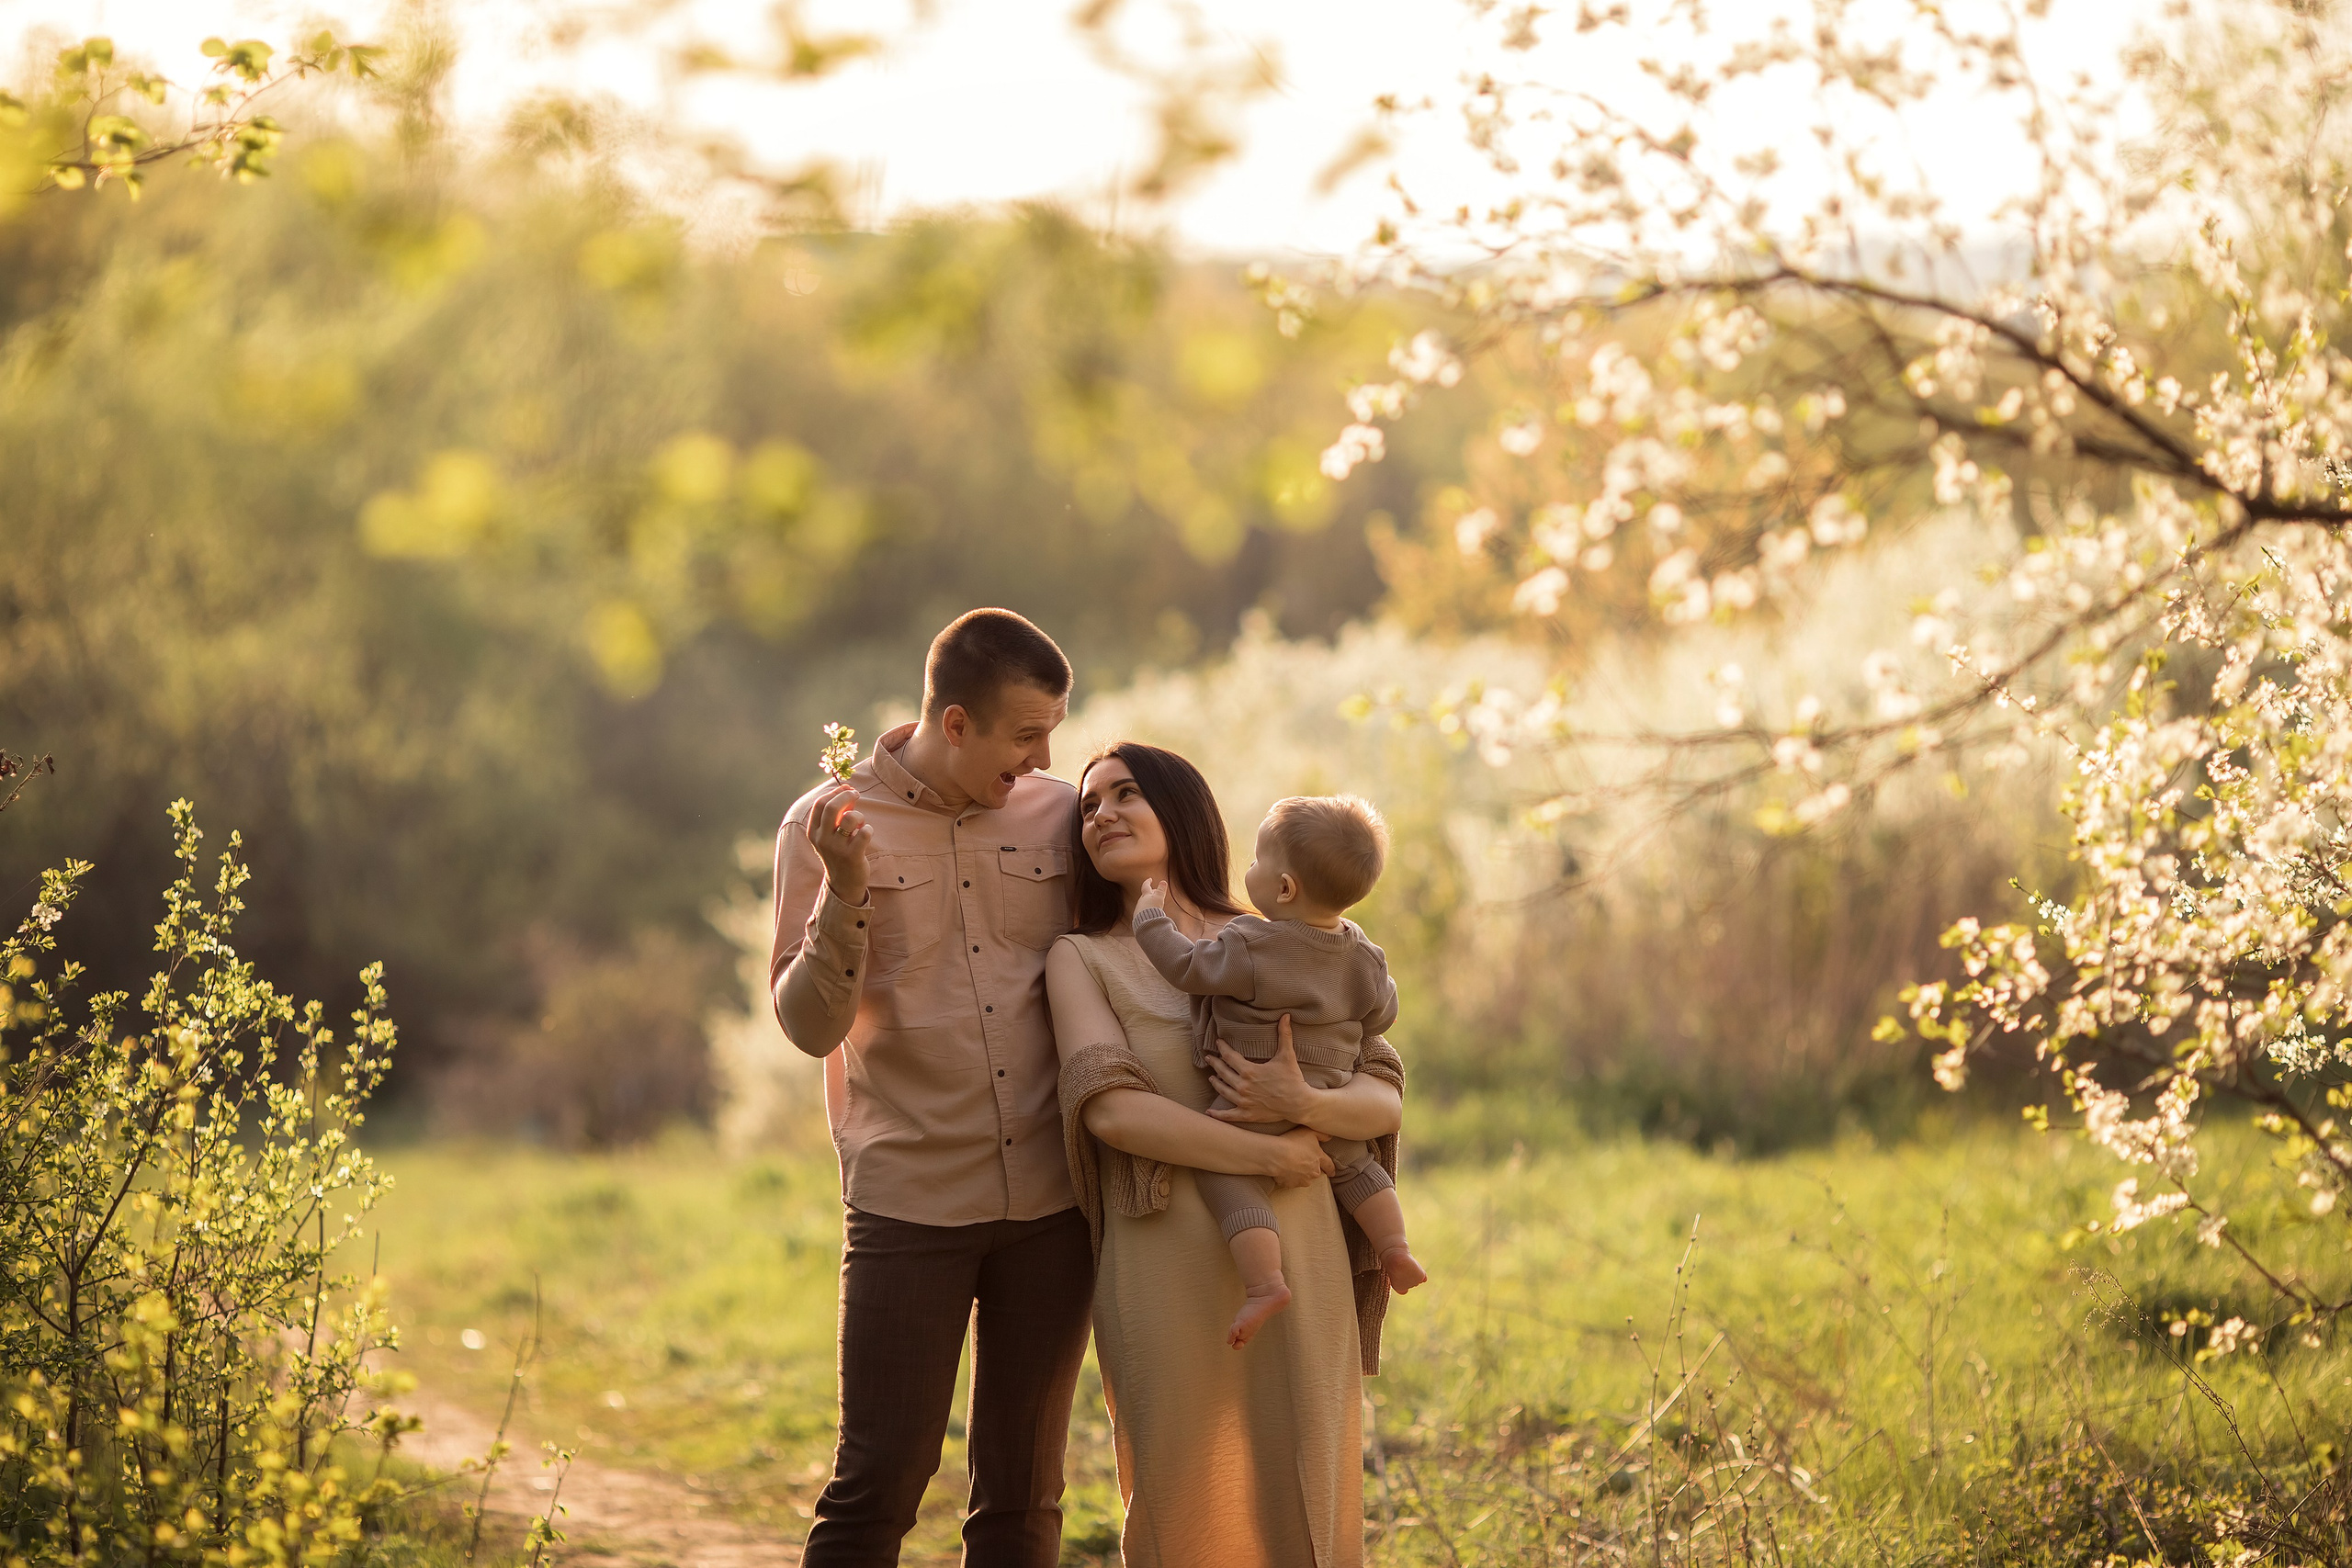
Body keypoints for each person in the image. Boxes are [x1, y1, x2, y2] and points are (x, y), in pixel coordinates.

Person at [769, 607, 1091, 1568]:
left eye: (1052, 733)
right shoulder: (824, 825)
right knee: (876, 1486)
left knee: (1024, 1500)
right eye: (1025, 735)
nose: (1043, 759)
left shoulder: (1063, 816)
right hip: (909, 1202)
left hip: (1053, 1205)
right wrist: (845, 890)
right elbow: (807, 1027)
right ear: (956, 723)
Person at [1046, 742, 1408, 1568]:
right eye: (1088, 804)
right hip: (1165, 1250)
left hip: (1303, 1249)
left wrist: (1303, 1105)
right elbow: (1112, 1111)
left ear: (1180, 810)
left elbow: (1382, 1093)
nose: (1101, 813)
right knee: (1185, 1499)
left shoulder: (1283, 932)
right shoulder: (1082, 956)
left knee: (1304, 1490)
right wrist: (1266, 1152)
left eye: (1125, 793)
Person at [1130, 794, 1428, 1348]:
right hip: (1333, 1099)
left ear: (1285, 888)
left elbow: (1188, 968)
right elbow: (1382, 1015)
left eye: (1255, 861)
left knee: (1226, 1178)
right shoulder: (1365, 954)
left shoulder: (1251, 944)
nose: (1247, 870)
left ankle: (1265, 1282)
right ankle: (1395, 1248)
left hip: (1250, 1105)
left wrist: (1150, 919)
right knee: (1358, 1166)